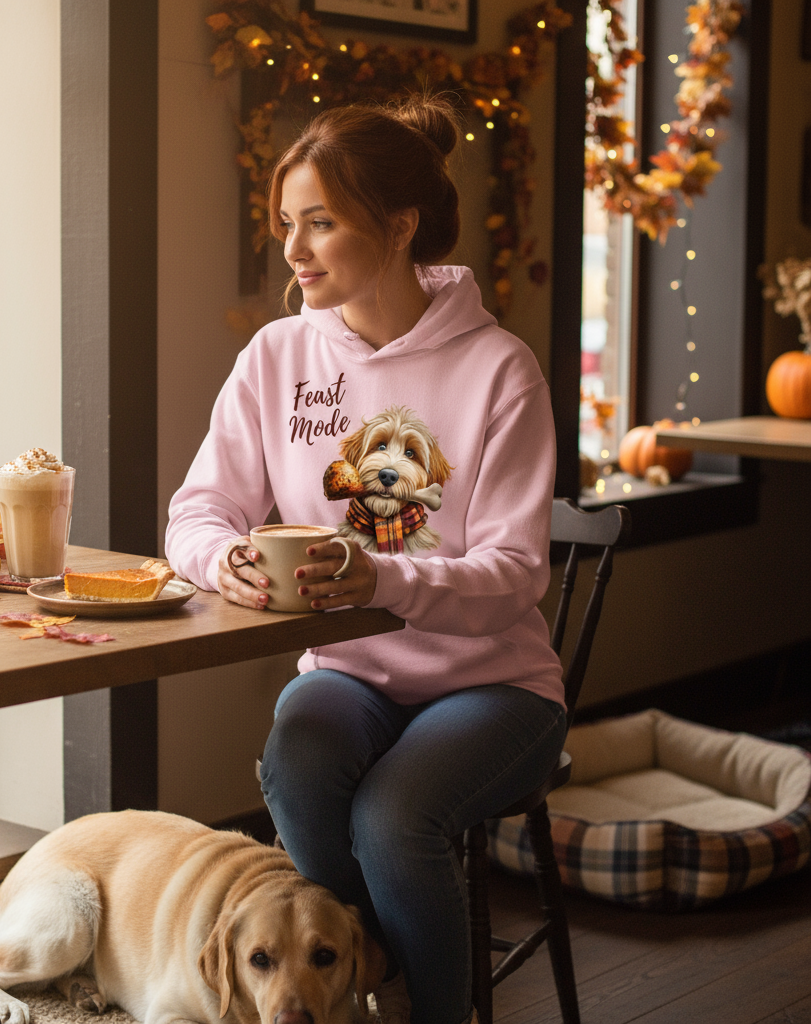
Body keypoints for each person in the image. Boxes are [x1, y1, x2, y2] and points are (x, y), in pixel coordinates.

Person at [165, 96, 566, 1024]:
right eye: (287, 226)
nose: (295, 251)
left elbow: (515, 573)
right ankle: (347, 997)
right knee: (296, 760)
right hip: (350, 673)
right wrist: (221, 557)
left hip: (495, 687)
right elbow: (198, 508)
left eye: (321, 224)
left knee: (392, 820)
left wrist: (382, 577)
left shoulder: (499, 369)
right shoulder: (277, 357)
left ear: (399, 224)